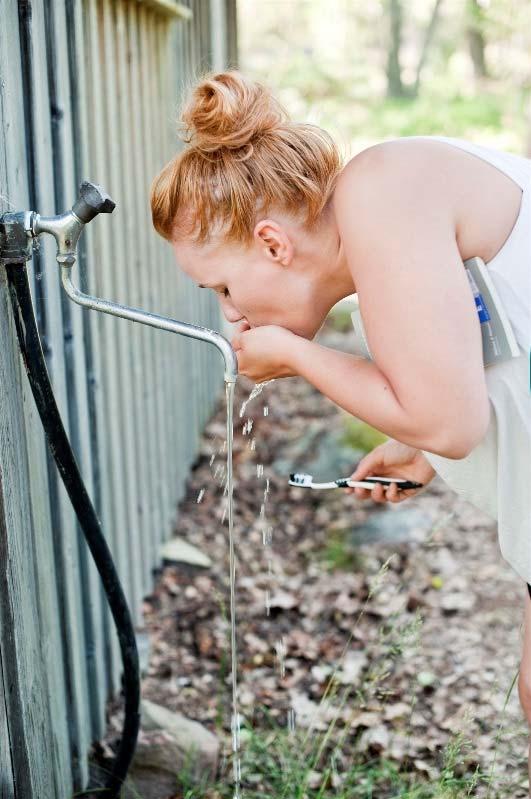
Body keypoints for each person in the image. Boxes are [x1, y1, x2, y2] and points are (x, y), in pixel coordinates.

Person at [150, 69, 531, 777]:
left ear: (271, 243)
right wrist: (414, 440)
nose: (229, 314)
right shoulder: (376, 223)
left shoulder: (378, 193)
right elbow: (478, 350)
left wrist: (297, 354)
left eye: (223, 287)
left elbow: (448, 421)